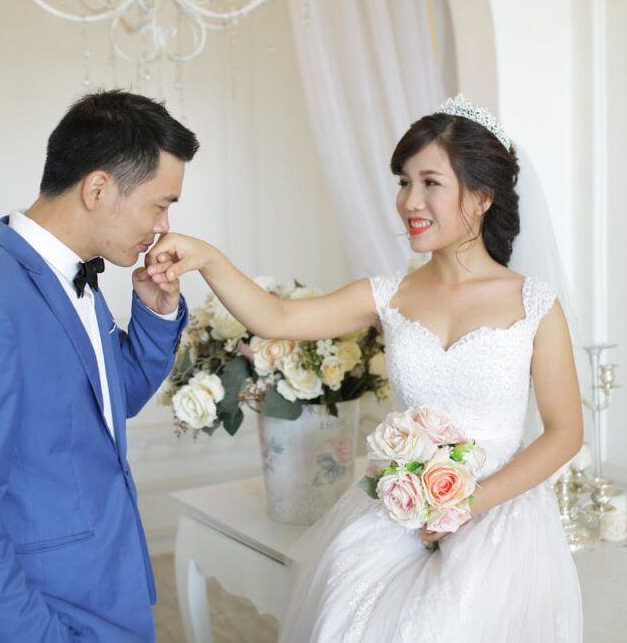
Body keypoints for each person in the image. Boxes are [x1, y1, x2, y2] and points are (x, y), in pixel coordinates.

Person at [144, 95, 584, 641]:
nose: (408, 202)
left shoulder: (535, 303)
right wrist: (207, 257)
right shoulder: (389, 294)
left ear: (481, 197)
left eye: (430, 183)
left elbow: (565, 433)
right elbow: (276, 317)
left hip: (500, 521)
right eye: (403, 181)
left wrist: (468, 504)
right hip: (396, 513)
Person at [0, 91, 197, 642]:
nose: (163, 226)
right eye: (160, 204)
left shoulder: (77, 278)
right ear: (97, 188)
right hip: (49, 614)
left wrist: (156, 315)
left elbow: (109, 404)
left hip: (114, 589)